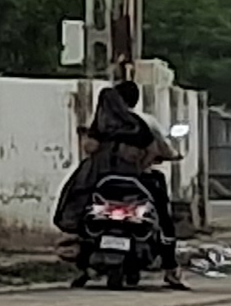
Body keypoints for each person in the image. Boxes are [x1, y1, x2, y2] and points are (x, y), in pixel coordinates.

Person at [59, 79, 184, 288]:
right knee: (164, 217)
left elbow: (89, 148)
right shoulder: (142, 123)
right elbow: (156, 149)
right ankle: (170, 269)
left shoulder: (101, 124)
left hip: (101, 182)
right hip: (136, 181)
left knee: (79, 206)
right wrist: (143, 165)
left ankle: (82, 264)